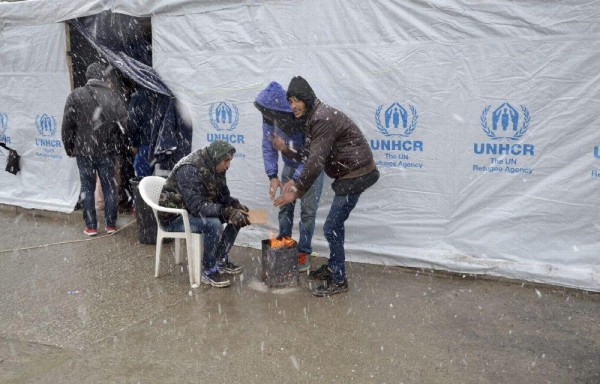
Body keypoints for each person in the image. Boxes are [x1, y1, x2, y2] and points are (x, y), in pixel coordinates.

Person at [274, 76, 380, 297]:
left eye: (296, 100)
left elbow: (315, 162)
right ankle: (334, 267)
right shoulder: (315, 117)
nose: (293, 106)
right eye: (290, 101)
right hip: (350, 174)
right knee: (334, 226)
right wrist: (292, 175)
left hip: (356, 174)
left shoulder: (321, 119)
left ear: (307, 98)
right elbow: (307, 154)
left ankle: (339, 279)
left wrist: (297, 191)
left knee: (331, 227)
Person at [157, 140, 251, 288]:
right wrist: (225, 211)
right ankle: (209, 270)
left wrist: (234, 205)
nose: (228, 165)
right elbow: (197, 206)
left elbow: (222, 195)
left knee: (238, 217)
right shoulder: (190, 169)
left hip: (193, 211)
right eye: (226, 161)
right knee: (214, 225)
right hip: (175, 217)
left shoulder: (217, 166)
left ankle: (220, 259)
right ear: (216, 157)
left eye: (229, 161)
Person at [254, 81, 324, 272]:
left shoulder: (305, 117)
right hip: (289, 167)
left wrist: (295, 180)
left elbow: (310, 155)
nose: (266, 116)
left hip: (311, 169)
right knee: (285, 208)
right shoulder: (269, 117)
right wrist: (272, 175)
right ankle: (284, 245)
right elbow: (268, 146)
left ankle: (303, 253)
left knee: (308, 213)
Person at [61, 61, 128, 236]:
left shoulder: (75, 96)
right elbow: (125, 124)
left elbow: (67, 125)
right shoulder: (113, 96)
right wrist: (118, 144)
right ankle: (110, 225)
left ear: (87, 77)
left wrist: (69, 147)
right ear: (102, 77)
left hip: (84, 151)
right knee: (109, 187)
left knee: (87, 188)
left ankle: (91, 226)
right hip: (107, 151)